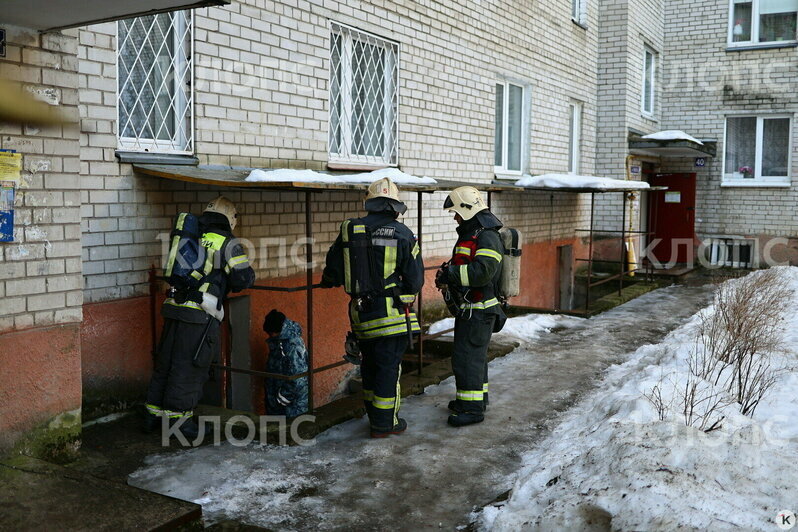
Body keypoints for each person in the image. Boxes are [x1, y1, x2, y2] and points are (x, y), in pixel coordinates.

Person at [144, 196, 256, 439]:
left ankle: (152, 414)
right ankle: (179, 422)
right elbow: (243, 279)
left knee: (166, 363)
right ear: (230, 217)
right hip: (198, 314)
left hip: (173, 306)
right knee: (189, 366)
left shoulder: (193, 233)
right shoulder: (227, 242)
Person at [321, 177, 424, 438]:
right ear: (394, 207)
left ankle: (373, 413)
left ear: (370, 203)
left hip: (360, 314)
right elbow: (415, 280)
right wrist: (404, 295)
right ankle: (385, 423)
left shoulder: (349, 229)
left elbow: (332, 269)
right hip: (391, 314)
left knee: (369, 366)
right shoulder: (403, 234)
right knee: (388, 369)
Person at [435, 186, 506, 427]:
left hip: (479, 311)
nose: (455, 217)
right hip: (472, 310)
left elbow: (482, 273)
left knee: (468, 359)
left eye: (456, 212)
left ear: (468, 209)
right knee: (472, 358)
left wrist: (450, 275)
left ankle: (472, 409)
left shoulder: (486, 236)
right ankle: (475, 400)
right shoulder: (474, 233)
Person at [263, 309, 309, 418]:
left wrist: (281, 399)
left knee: (289, 431)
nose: (270, 336)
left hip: (291, 407)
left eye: (270, 333)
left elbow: (298, 378)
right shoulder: (281, 342)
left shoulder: (292, 346)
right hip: (281, 402)